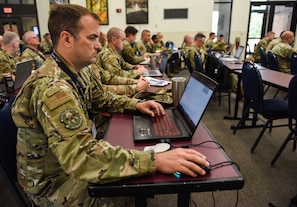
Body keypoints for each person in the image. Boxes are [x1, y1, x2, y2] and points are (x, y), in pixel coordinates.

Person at [11, 4, 210, 206]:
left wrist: (136, 105)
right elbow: (82, 158)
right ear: (67, 39)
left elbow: (101, 99)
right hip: (54, 185)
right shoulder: (53, 88)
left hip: (67, 164)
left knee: (130, 165)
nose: (99, 45)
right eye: (92, 38)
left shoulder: (79, 70)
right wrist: (155, 161)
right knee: (131, 184)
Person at [84, 63, 149, 97]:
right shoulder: (107, 55)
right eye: (92, 38)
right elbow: (100, 92)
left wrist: (136, 82)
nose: (99, 46)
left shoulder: (90, 64)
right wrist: (135, 88)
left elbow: (110, 77)